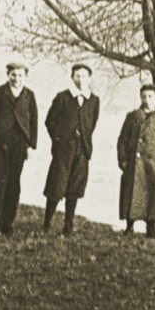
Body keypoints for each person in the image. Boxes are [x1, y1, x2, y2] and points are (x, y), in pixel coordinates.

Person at [43, 64, 100, 235]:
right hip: (63, 151)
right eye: (77, 76)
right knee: (56, 186)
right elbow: (50, 122)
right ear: (72, 78)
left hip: (82, 150)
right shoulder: (62, 97)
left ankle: (68, 224)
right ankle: (47, 222)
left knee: (74, 188)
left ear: (89, 79)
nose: (81, 79)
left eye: (84, 76)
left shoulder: (93, 100)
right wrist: (60, 140)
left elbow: (92, 123)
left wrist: (84, 138)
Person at [0, 61, 38, 235]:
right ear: (8, 75)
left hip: (19, 146)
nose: (16, 79)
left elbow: (33, 122)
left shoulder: (29, 96)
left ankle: (8, 223)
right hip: (1, 144)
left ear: (26, 77)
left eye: (20, 75)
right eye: (13, 75)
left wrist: (31, 145)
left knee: (14, 184)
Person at [117, 83, 155, 238]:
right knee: (132, 195)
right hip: (134, 164)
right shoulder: (133, 117)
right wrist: (122, 160)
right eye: (144, 96)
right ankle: (129, 226)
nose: (147, 99)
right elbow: (122, 140)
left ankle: (151, 228)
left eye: (150, 96)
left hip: (153, 165)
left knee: (153, 197)